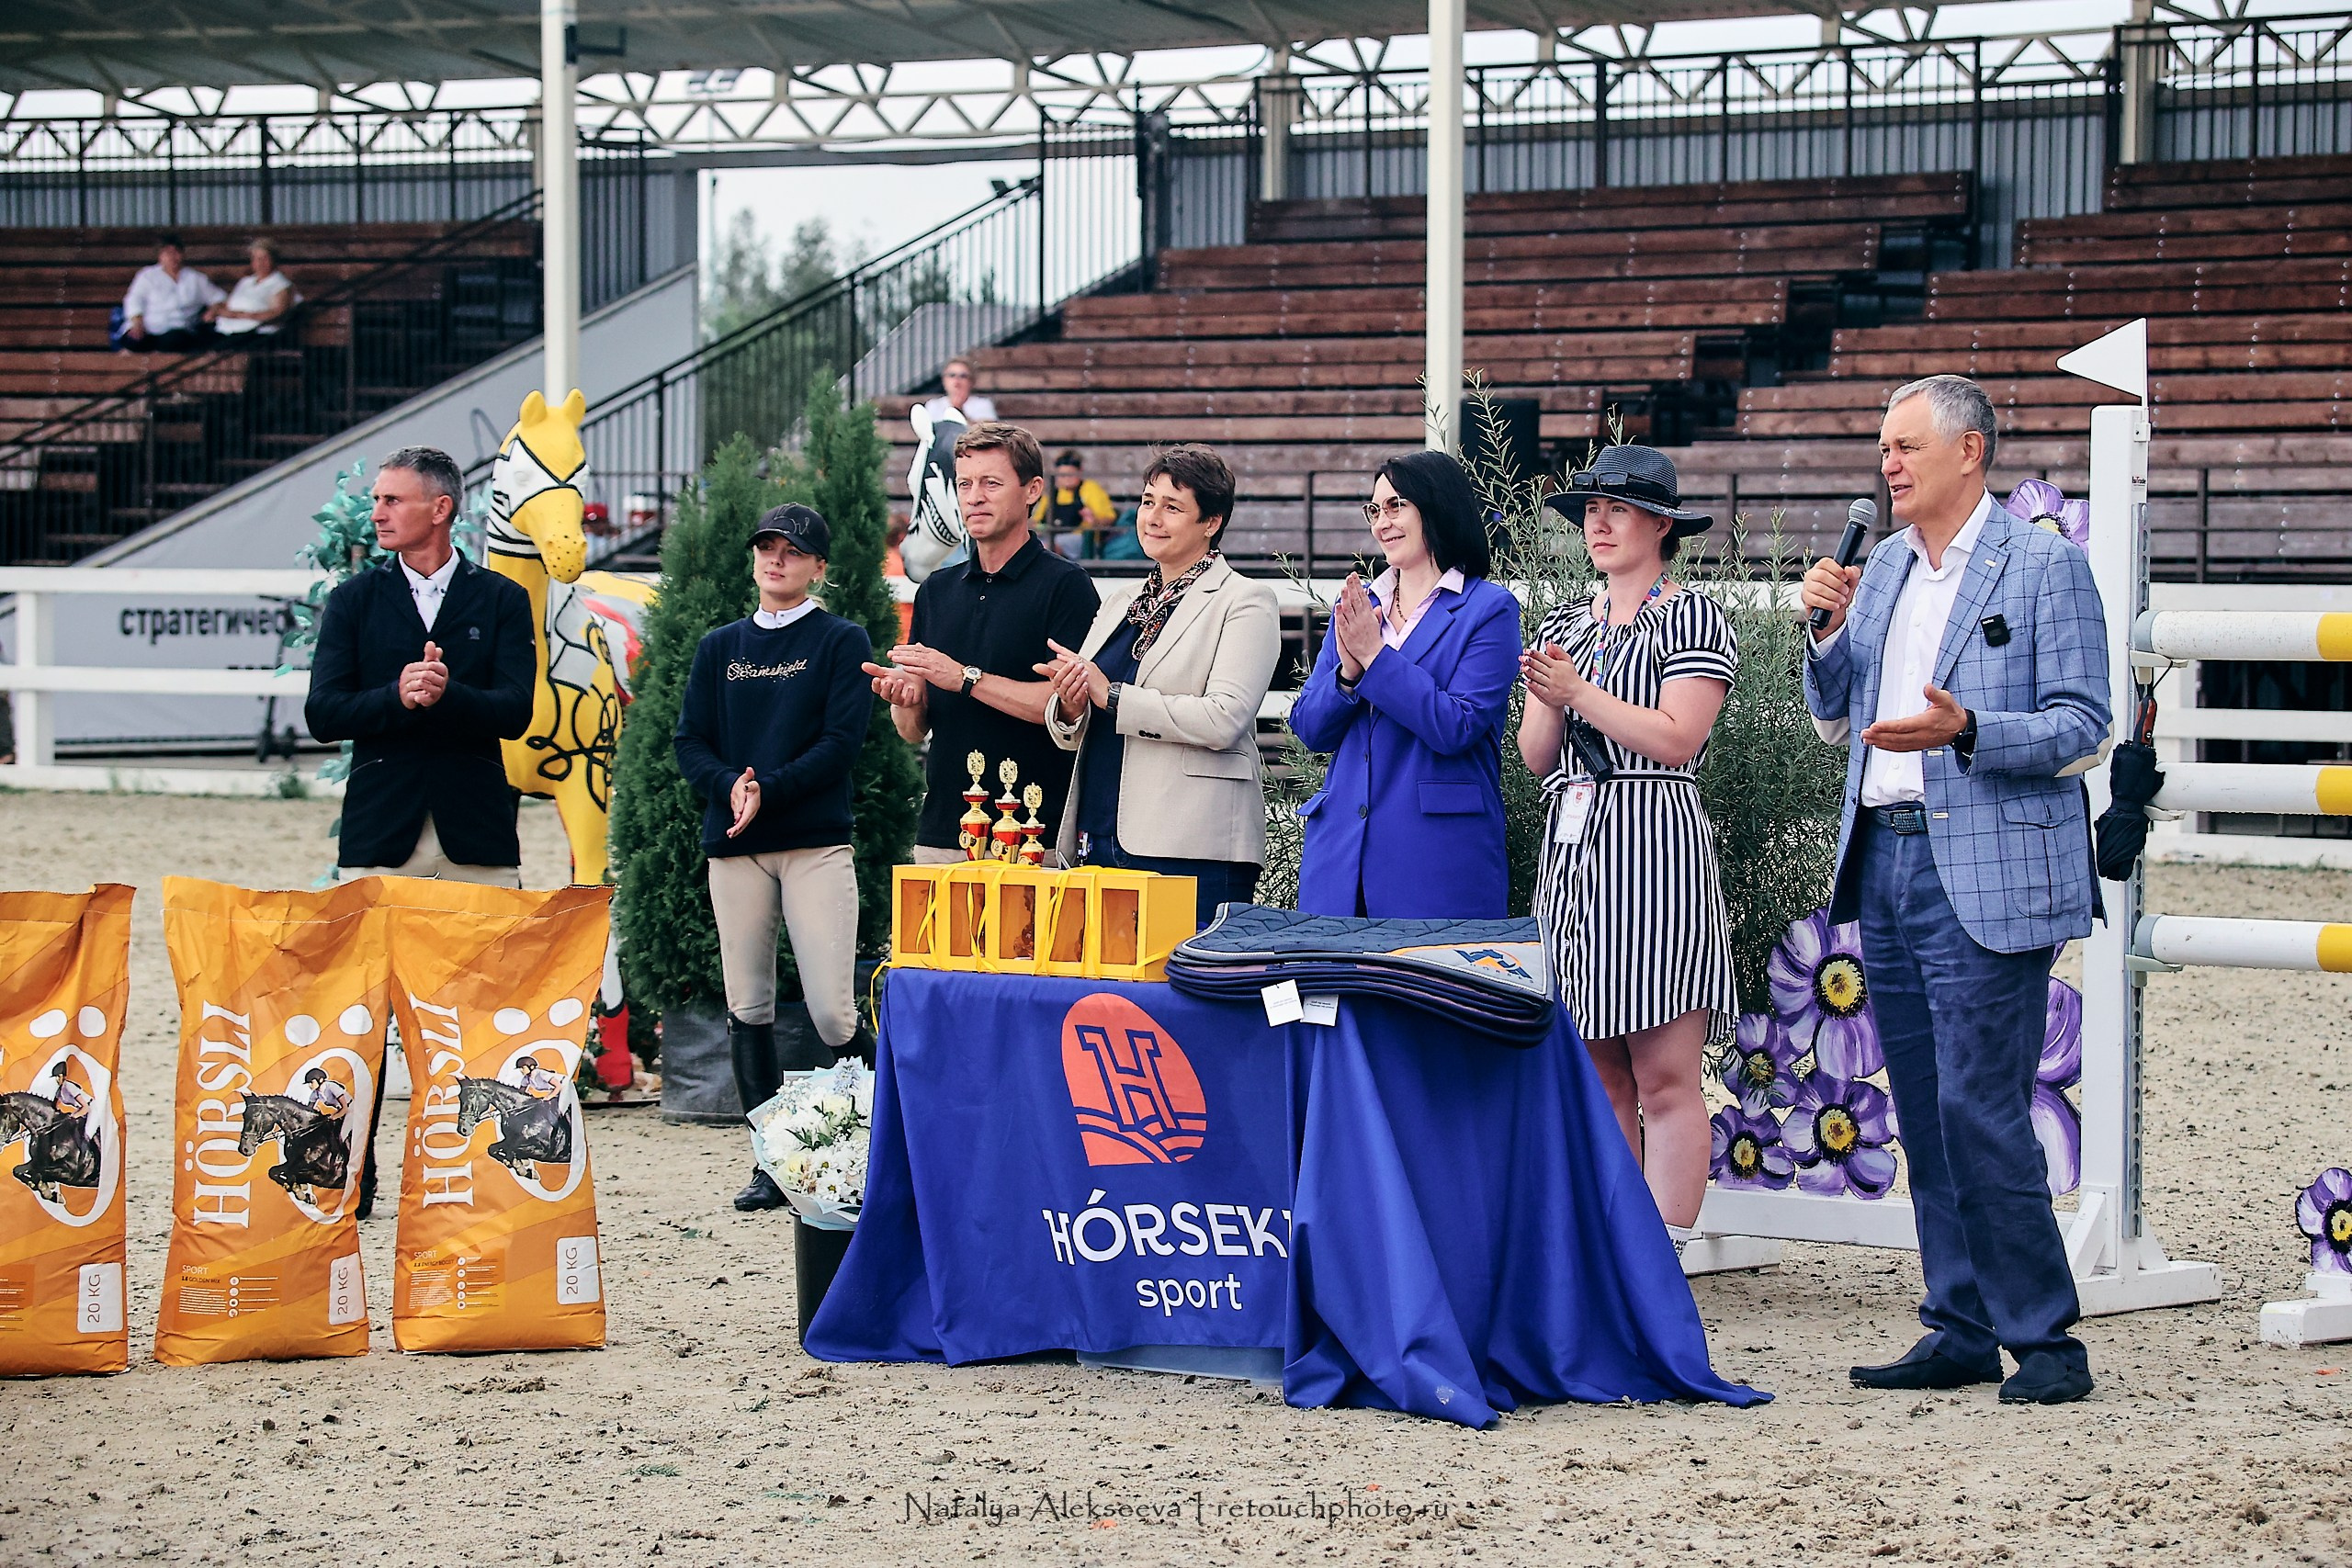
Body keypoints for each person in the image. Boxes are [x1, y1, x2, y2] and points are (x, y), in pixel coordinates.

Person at [1801, 373, 2109, 1407]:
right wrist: (1822, 635)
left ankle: (2047, 1341)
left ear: (1969, 452)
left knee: (1982, 1104)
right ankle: (1961, 1323)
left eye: (1907, 446)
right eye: (1885, 447)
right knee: (1927, 1109)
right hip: (1885, 855)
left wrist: (1968, 730)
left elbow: (2084, 723)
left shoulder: (2045, 565)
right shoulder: (1886, 564)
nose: (1888, 464)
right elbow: (1836, 716)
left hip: (1985, 864)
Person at [1519, 446, 1739, 1233]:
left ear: (1661, 524)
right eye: (1591, 509)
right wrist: (1548, 697)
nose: (1599, 523)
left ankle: (1664, 1250)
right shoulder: (1564, 622)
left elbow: (1678, 738)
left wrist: (1577, 690)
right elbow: (1536, 754)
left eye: (1618, 508)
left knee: (1666, 1075)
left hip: (1655, 843)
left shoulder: (1692, 615)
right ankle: (1617, 1245)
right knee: (1597, 1070)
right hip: (1574, 847)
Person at [673, 502, 873, 1212]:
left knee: (833, 1012)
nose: (776, 558)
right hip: (737, 846)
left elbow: (841, 743)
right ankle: (773, 1162)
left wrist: (767, 789)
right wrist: (730, 785)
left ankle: (874, 1143)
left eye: (792, 549)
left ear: (818, 566)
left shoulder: (841, 639)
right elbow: (689, 740)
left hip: (814, 842)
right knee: (748, 1005)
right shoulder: (719, 646)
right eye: (766, 546)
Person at [1036, 444, 1280, 926]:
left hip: (1191, 843)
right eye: (1148, 502)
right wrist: (1069, 703)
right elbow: (1081, 715)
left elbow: (1224, 718)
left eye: (1173, 507)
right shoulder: (1120, 601)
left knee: (1183, 976)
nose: (1152, 517)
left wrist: (1111, 695)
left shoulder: (1245, 600)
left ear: (1211, 522)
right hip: (1098, 830)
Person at [1287, 450, 1519, 918]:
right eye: (1374, 510)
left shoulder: (1489, 608)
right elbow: (1310, 728)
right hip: (1339, 860)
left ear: (1436, 506)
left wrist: (1374, 658)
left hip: (1435, 860)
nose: (1382, 523)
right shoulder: (1360, 604)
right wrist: (1348, 674)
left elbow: (1457, 726)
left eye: (1396, 506)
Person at [864, 423, 1100, 863]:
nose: (974, 497)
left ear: (1032, 490)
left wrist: (965, 679)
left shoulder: (1067, 586)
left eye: (991, 483)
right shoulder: (935, 590)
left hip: (1036, 834)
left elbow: (1065, 708)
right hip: (942, 833)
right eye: (964, 484)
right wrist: (906, 700)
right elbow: (913, 730)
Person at [303, 446, 536, 886]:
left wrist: (449, 695)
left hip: (478, 833)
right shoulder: (352, 600)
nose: (377, 514)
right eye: (377, 500)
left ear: (440, 509)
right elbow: (323, 714)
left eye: (392, 500)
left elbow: (516, 712)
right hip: (379, 831)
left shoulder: (503, 598)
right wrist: (397, 697)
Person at [116, 233, 224, 352]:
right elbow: (134, 300)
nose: (173, 257)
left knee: (176, 340)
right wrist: (137, 324)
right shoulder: (147, 276)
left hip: (178, 331)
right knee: (132, 341)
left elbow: (219, 298)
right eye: (167, 253)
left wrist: (212, 311)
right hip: (148, 328)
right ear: (160, 256)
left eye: (176, 252)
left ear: (183, 254)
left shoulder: (196, 278)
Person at [1035, 449, 1119, 558]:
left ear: (1080, 472)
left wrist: (1094, 521)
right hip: (1051, 537)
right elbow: (1037, 520)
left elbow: (1109, 518)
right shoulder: (1053, 493)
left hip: (1080, 539)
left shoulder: (1090, 489)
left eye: (1070, 475)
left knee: (1047, 547)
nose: (1066, 479)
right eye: (1062, 475)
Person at [208, 238, 298, 336]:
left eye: (265, 258)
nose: (260, 263)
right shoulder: (246, 281)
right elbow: (229, 303)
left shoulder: (281, 284)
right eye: (256, 259)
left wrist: (241, 315)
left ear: (274, 260)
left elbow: (278, 313)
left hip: (257, 332)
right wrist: (216, 309)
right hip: (228, 328)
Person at [919, 356, 997, 424]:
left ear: (972, 381)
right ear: (944, 380)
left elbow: (987, 432)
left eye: (963, 376)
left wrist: (959, 411)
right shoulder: (934, 405)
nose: (957, 382)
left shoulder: (983, 405)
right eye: (952, 375)